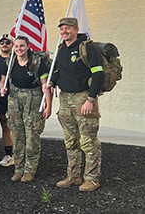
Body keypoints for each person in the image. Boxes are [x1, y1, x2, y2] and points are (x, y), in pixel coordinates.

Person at [44, 17, 104, 192]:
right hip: (65, 99)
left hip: (83, 97)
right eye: (62, 28)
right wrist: (51, 82)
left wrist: (91, 99)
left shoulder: (88, 48)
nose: (64, 31)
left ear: (76, 29)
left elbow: (98, 75)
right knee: (71, 141)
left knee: (88, 141)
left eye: (68, 28)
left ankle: (92, 179)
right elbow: (59, 71)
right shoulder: (62, 48)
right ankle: (73, 175)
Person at [0, 36, 52, 183]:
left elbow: (46, 86)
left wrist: (48, 106)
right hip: (15, 101)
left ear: (28, 46)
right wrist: (2, 88)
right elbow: (3, 79)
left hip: (33, 101)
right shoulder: (10, 62)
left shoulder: (37, 63)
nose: (19, 49)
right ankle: (18, 168)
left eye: (22, 46)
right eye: (16, 46)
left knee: (32, 136)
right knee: (17, 136)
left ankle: (29, 170)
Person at [0, 34, 15, 167]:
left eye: (7, 42)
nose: (4, 44)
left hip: (16, 98)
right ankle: (9, 154)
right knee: (5, 126)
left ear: (12, 44)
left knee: (18, 127)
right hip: (0, 100)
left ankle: (21, 154)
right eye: (2, 42)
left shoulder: (17, 59)